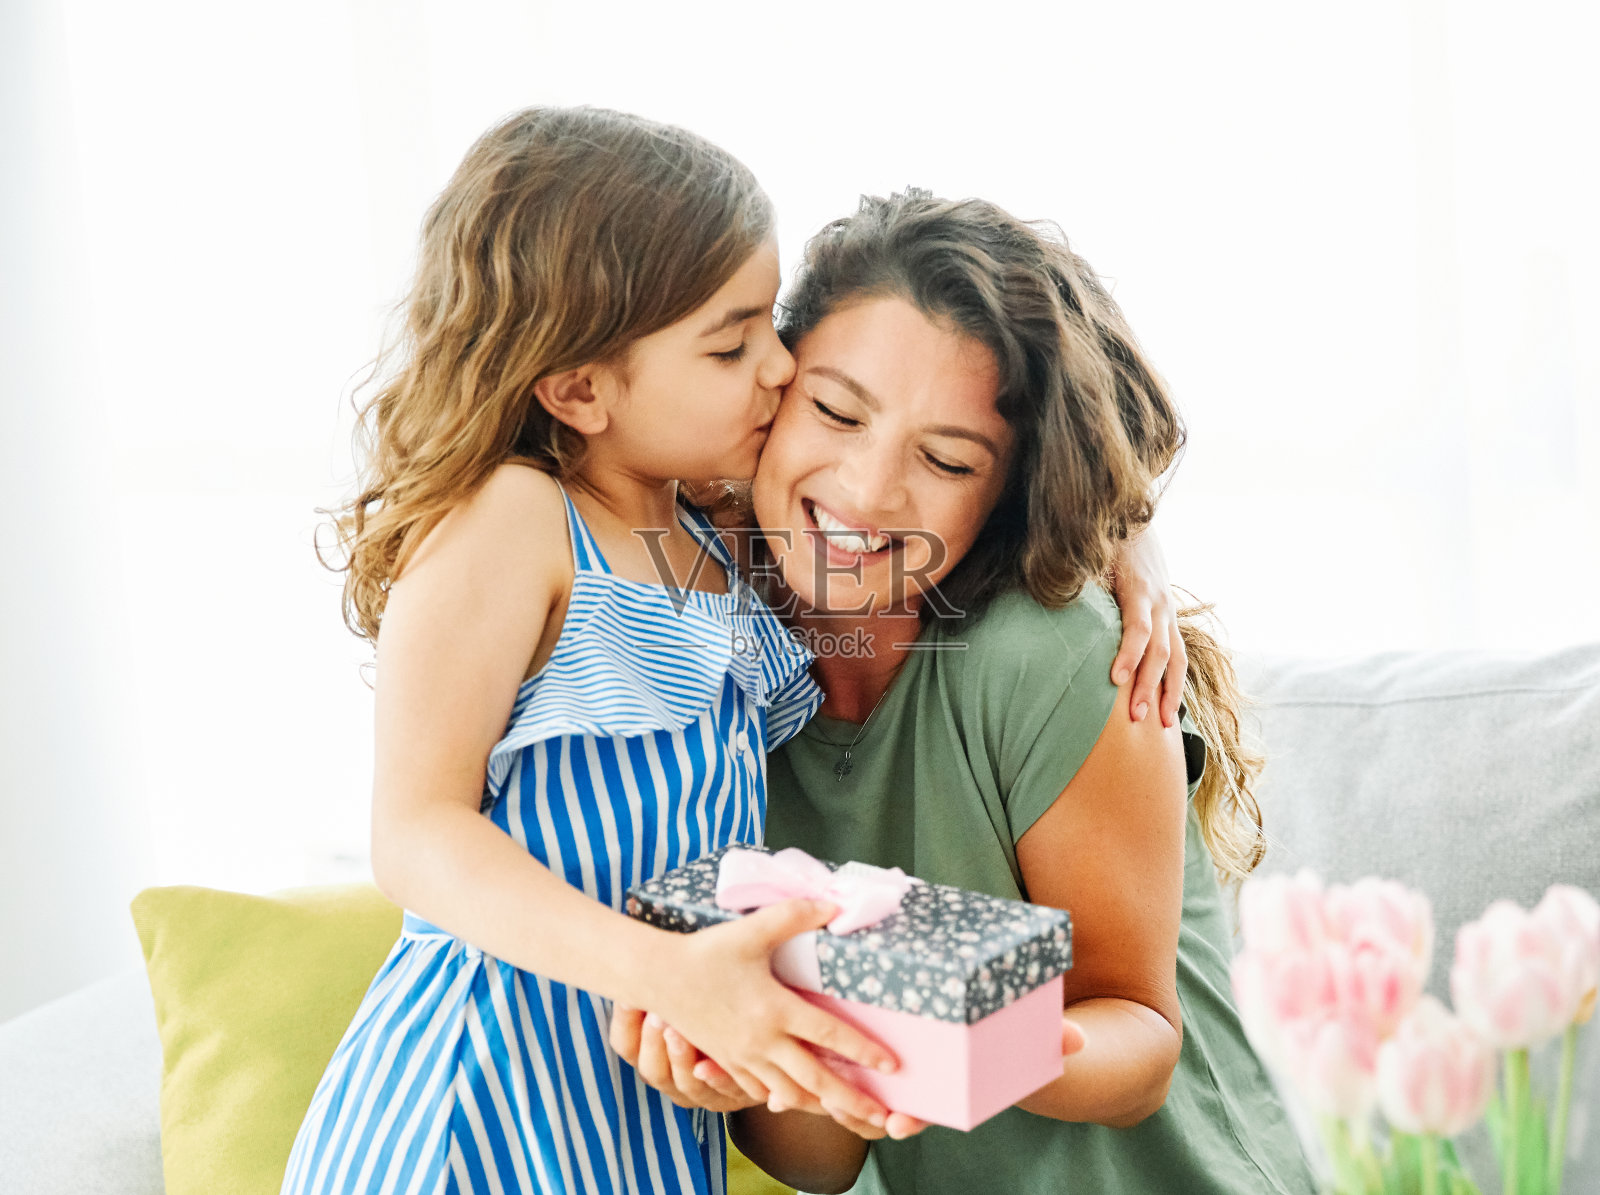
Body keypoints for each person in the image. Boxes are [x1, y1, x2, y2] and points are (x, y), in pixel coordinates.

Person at [615, 192, 1317, 1194]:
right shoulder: (711, 685)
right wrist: (747, 1066)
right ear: (771, 391)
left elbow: (1141, 1043)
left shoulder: (1050, 658)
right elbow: (827, 1157)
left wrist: (959, 1030)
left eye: (946, 459)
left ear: (1003, 491)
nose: (867, 488)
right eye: (836, 410)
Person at [278, 106, 909, 1195]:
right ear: (578, 389)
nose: (779, 368)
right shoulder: (514, 518)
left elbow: (1021, 426)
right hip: (472, 1111)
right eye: (730, 343)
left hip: (628, 1114)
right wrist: (668, 974)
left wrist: (1131, 546)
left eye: (771, 325)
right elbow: (418, 832)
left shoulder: (712, 525)